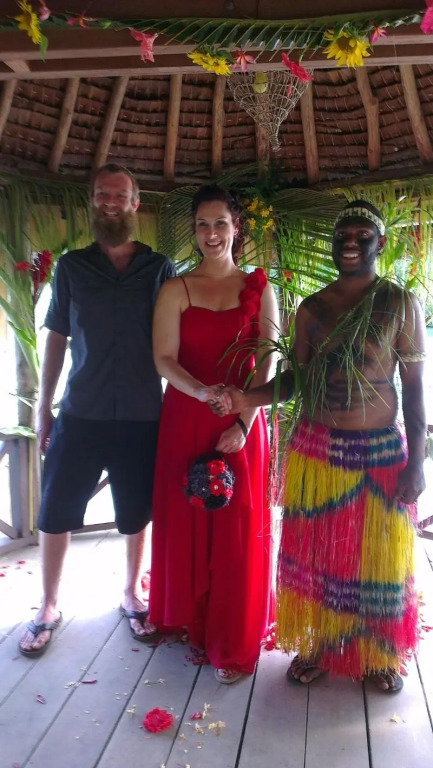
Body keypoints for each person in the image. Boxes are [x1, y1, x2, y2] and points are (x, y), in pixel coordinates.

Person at [212, 200, 426, 692]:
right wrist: (245, 398)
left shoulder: (399, 304)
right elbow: (297, 381)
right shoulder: (311, 309)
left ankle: (378, 654)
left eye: (362, 235)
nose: (350, 243)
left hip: (379, 453)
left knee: (379, 562)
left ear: (380, 243)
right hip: (318, 451)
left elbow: (415, 389)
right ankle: (322, 646)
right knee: (320, 559)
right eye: (341, 236)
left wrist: (417, 462)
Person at [19, 163, 176, 657]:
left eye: (119, 195)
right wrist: (44, 407)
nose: (110, 202)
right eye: (102, 195)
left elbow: (177, 339)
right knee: (55, 509)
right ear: (93, 202)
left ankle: (131, 593)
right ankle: (48, 604)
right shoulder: (71, 268)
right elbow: (56, 338)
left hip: (142, 412)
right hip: (81, 410)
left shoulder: (160, 269)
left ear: (135, 204)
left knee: (135, 511)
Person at [149, 185, 279, 683]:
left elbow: (268, 361)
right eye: (202, 224)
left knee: (237, 529)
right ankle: (194, 621)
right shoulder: (175, 289)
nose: (211, 233)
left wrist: (243, 419)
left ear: (236, 227)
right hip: (187, 414)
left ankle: (234, 637)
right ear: (194, 230)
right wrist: (204, 393)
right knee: (189, 518)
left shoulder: (259, 287)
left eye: (220, 223)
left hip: (242, 419)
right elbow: (164, 359)